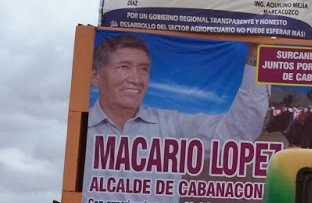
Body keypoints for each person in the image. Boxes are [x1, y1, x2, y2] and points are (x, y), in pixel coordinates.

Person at [87, 34, 269, 141]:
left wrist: (256, 52)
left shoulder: (170, 126)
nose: (136, 79)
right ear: (96, 76)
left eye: (144, 69)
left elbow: (237, 134)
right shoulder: (81, 130)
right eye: (124, 67)